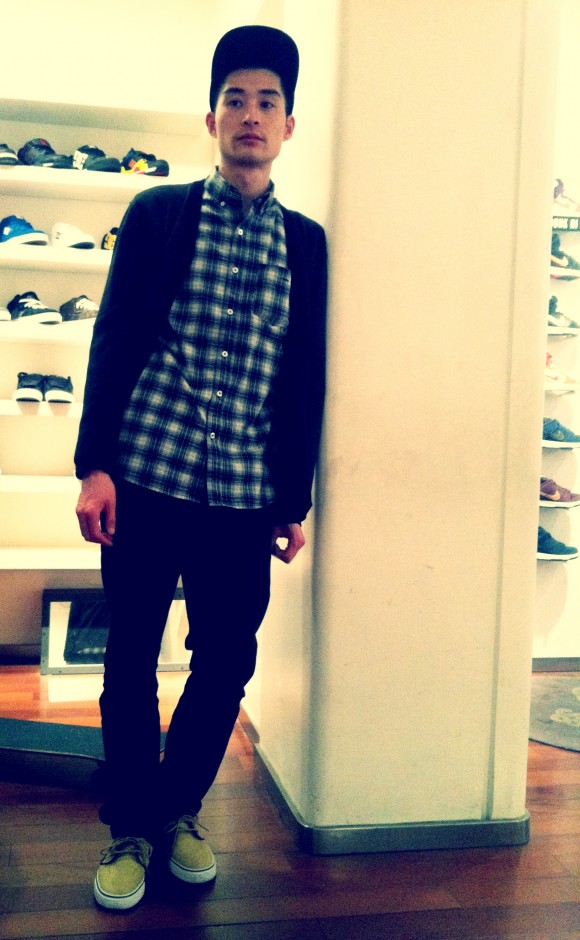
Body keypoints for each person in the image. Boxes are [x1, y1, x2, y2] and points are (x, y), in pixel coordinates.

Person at [74, 25, 327, 911]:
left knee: (224, 664)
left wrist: (294, 499)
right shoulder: (159, 215)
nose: (250, 115)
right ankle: (130, 828)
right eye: (235, 100)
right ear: (212, 120)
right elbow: (114, 339)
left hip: (243, 496)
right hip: (146, 475)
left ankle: (178, 809)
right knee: (130, 661)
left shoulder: (306, 243)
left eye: (267, 102)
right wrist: (94, 465)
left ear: (287, 126)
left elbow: (304, 373)